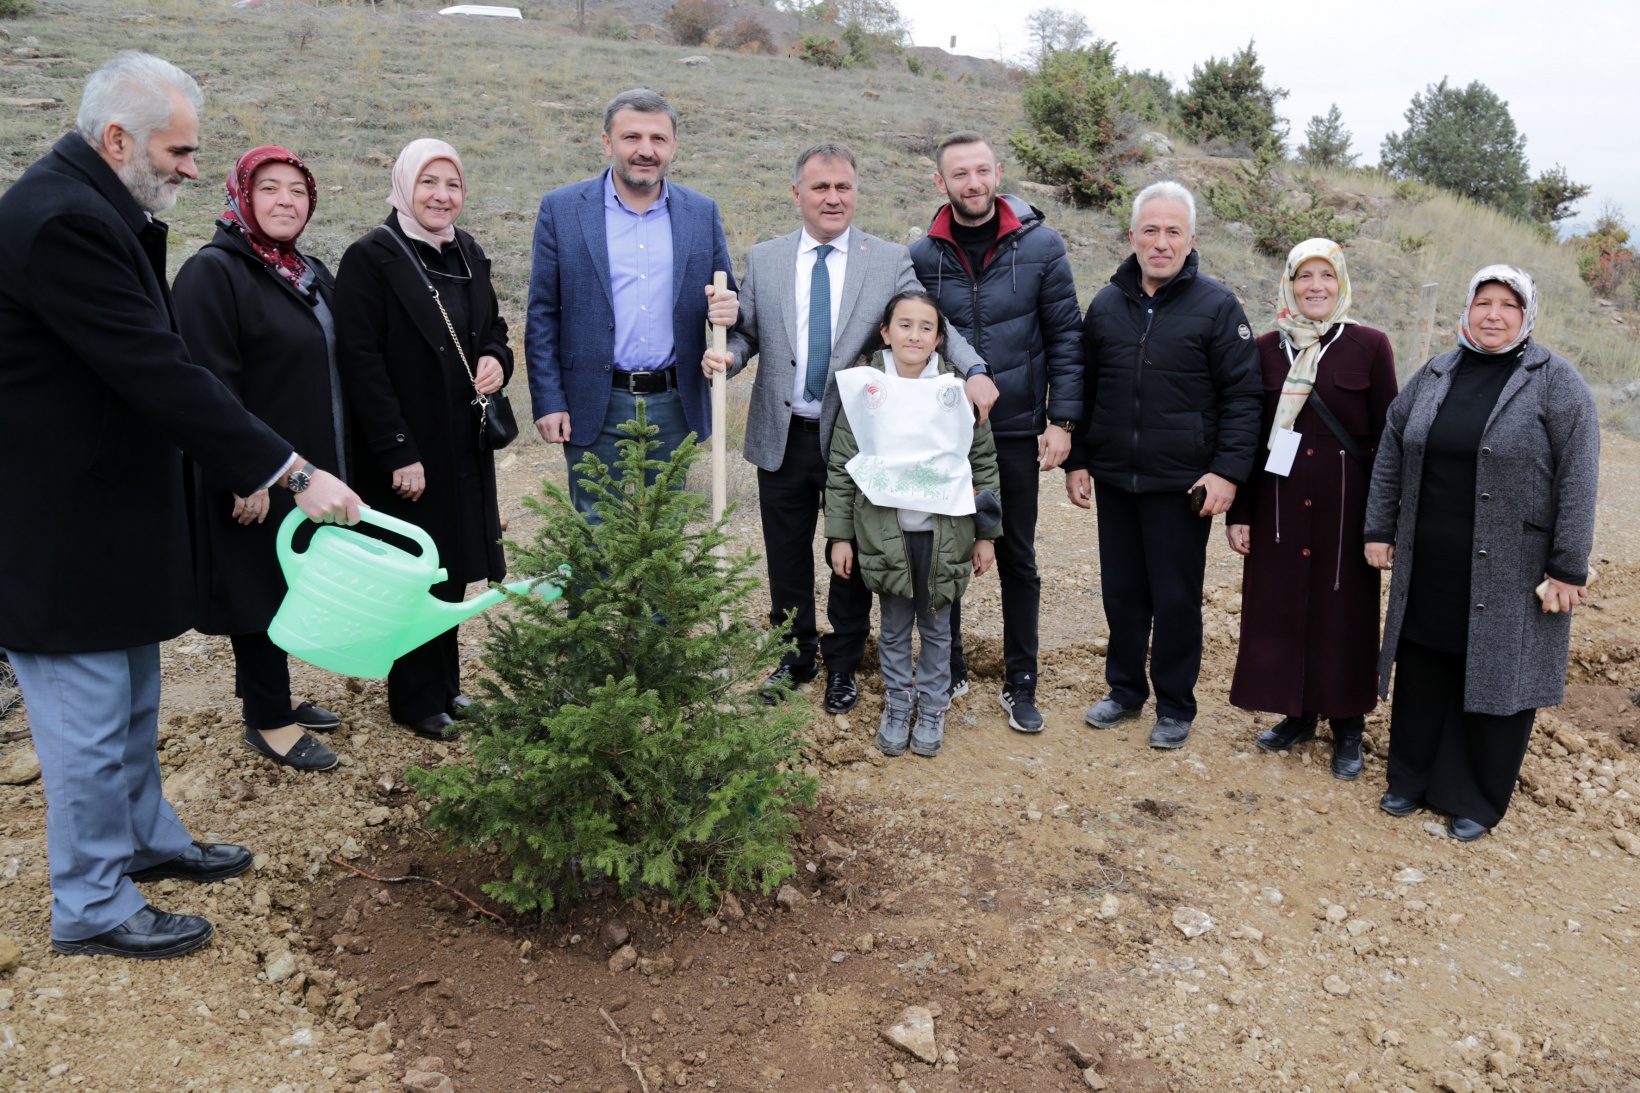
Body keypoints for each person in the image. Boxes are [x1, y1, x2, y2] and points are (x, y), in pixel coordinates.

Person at [0, 52, 359, 960]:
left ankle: (146, 842)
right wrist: (290, 471)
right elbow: (159, 371)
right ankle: (90, 901)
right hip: (58, 530)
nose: (192, 171)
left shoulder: (93, 207)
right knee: (84, 729)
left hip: (109, 518)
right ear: (117, 138)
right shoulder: (58, 223)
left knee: (128, 703)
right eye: (180, 151)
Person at [705, 142, 996, 716]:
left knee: (852, 557)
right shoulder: (765, 258)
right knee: (786, 556)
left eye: (843, 187)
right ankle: (793, 658)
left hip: (856, 440)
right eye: (820, 188)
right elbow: (750, 336)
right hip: (781, 433)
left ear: (856, 193)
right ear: (798, 194)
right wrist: (729, 357)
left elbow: (933, 319)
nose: (833, 198)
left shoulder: (884, 259)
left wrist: (976, 369)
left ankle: (842, 666)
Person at [1364, 265, 1598, 841]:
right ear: (1467, 310)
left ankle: (1474, 795)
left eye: (1508, 306)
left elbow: (1579, 478)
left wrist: (1567, 565)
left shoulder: (1556, 382)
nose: (1493, 315)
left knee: (1497, 674)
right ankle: (1409, 779)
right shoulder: (1437, 372)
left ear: (1527, 315)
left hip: (1512, 567)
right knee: (1424, 664)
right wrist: (1379, 527)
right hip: (1432, 559)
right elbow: (1394, 446)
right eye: (1483, 302)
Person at [1065, 181, 1262, 750]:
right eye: (1150, 230)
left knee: (1175, 598)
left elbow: (1243, 398)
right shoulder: (1105, 305)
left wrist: (1226, 472)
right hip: (1115, 480)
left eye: (1173, 231)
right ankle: (1125, 691)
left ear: (1191, 239)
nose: (1161, 242)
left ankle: (1175, 704)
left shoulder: (1219, 307)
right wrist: (1079, 460)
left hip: (1183, 485)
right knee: (1122, 594)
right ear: (1132, 237)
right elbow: (1086, 387)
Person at [174, 145, 348, 773]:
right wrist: (244, 473)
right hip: (257, 472)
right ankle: (269, 721)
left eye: (297, 191)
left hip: (304, 466)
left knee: (288, 583)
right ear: (242, 196)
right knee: (257, 589)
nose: (285, 201)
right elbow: (205, 385)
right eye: (270, 188)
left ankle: (272, 695)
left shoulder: (306, 271)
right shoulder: (212, 273)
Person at [333, 138, 512, 742]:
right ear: (404, 184)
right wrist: (396, 449)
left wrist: (495, 360)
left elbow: (494, 328)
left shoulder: (468, 252)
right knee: (415, 569)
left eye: (453, 184)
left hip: (463, 439)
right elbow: (360, 360)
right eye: (429, 182)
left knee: (454, 563)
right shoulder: (371, 256)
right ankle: (412, 697)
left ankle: (445, 685)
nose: (442, 196)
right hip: (412, 444)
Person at [907, 131, 1082, 733]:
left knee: (1017, 555)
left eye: (982, 171)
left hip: (1015, 429)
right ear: (941, 183)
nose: (973, 183)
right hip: (944, 433)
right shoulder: (920, 255)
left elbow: (1066, 338)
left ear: (998, 173)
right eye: (959, 174)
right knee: (946, 554)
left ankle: (1020, 680)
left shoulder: (1043, 246)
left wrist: (1063, 422)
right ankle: (949, 667)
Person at [1225, 239, 1398, 779]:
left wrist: (1381, 522)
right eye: (1305, 276)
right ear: (1289, 283)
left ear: (1341, 283)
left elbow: (1389, 443)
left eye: (1326, 275)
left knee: (1342, 613)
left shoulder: (1370, 345)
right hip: (1279, 510)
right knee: (1281, 608)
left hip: (1346, 516)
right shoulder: (1265, 350)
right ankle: (1296, 714)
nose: (1316, 286)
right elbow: (1249, 438)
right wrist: (1241, 513)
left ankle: (1347, 726)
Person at [525, 88, 738, 518]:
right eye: (631, 138)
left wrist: (731, 313)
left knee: (664, 532)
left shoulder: (702, 212)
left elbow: (728, 305)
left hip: (673, 402)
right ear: (607, 142)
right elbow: (542, 312)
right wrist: (549, 399)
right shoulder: (562, 210)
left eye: (658, 139)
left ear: (673, 146)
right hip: (594, 401)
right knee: (596, 528)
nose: (646, 150)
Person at [824, 291, 1000, 757]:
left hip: (944, 536)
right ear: (885, 332)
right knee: (895, 627)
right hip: (885, 535)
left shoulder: (956, 392)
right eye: (904, 324)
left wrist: (986, 535)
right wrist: (840, 535)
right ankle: (898, 704)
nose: (914, 334)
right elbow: (842, 466)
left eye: (926, 327)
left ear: (940, 339)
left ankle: (934, 705)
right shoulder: (865, 392)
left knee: (938, 627)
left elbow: (982, 467)